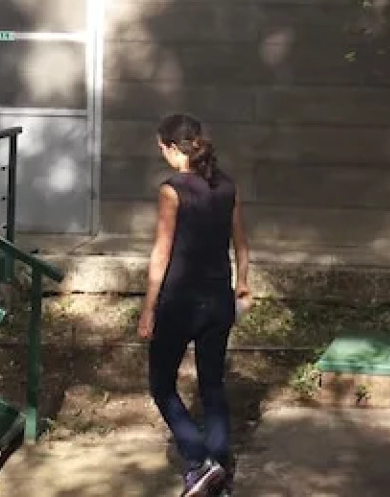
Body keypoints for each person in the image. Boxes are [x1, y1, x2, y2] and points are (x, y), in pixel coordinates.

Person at [139, 113, 251, 497]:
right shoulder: (227, 187)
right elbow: (241, 244)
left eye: (161, 148)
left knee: (161, 384)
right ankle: (219, 473)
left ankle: (198, 459)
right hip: (220, 298)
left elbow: (162, 253)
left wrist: (149, 307)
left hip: (179, 302)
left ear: (173, 149)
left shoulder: (172, 191)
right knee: (213, 386)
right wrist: (244, 284)